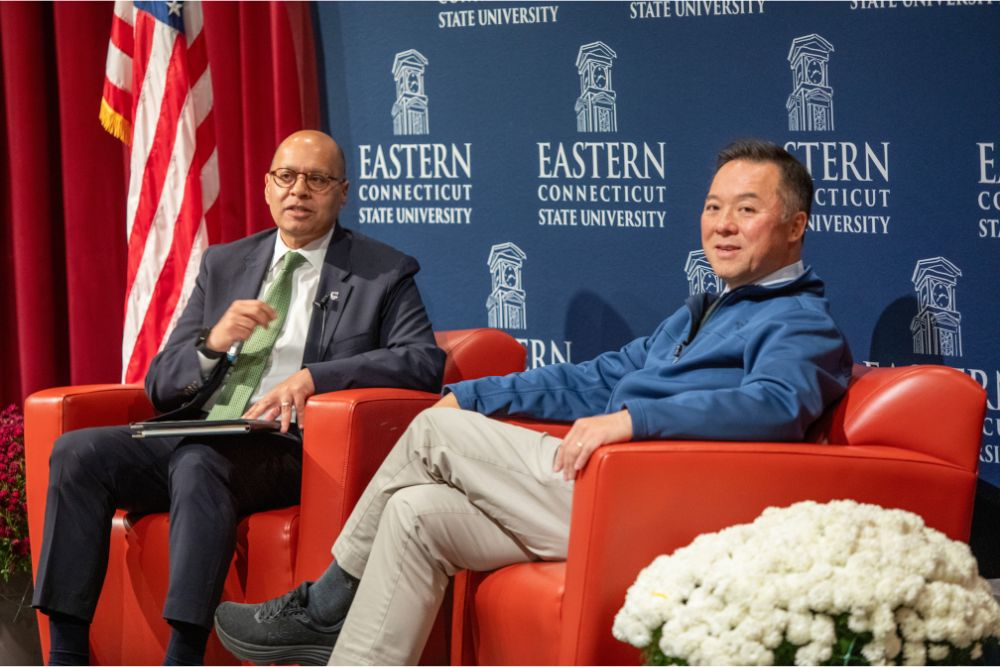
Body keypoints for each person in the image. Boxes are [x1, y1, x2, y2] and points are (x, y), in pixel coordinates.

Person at [213, 139, 854, 666]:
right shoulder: (697, 314)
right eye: (714, 208)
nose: (722, 226)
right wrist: (469, 395)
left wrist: (635, 420)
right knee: (416, 512)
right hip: (606, 489)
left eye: (746, 210)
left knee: (431, 438)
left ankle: (326, 604)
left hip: (659, 502)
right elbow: (597, 378)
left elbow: (775, 405)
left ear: (796, 226)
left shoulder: (802, 322)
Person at [31, 130, 445, 666]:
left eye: (317, 180)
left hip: (291, 447)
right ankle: (65, 653)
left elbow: (421, 362)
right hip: (203, 429)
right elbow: (161, 383)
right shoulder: (225, 264)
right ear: (267, 187)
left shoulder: (382, 271)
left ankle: (184, 652)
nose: (300, 190)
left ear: (343, 193)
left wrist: (317, 377)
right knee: (78, 453)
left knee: (201, 463)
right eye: (287, 177)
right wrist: (212, 344)